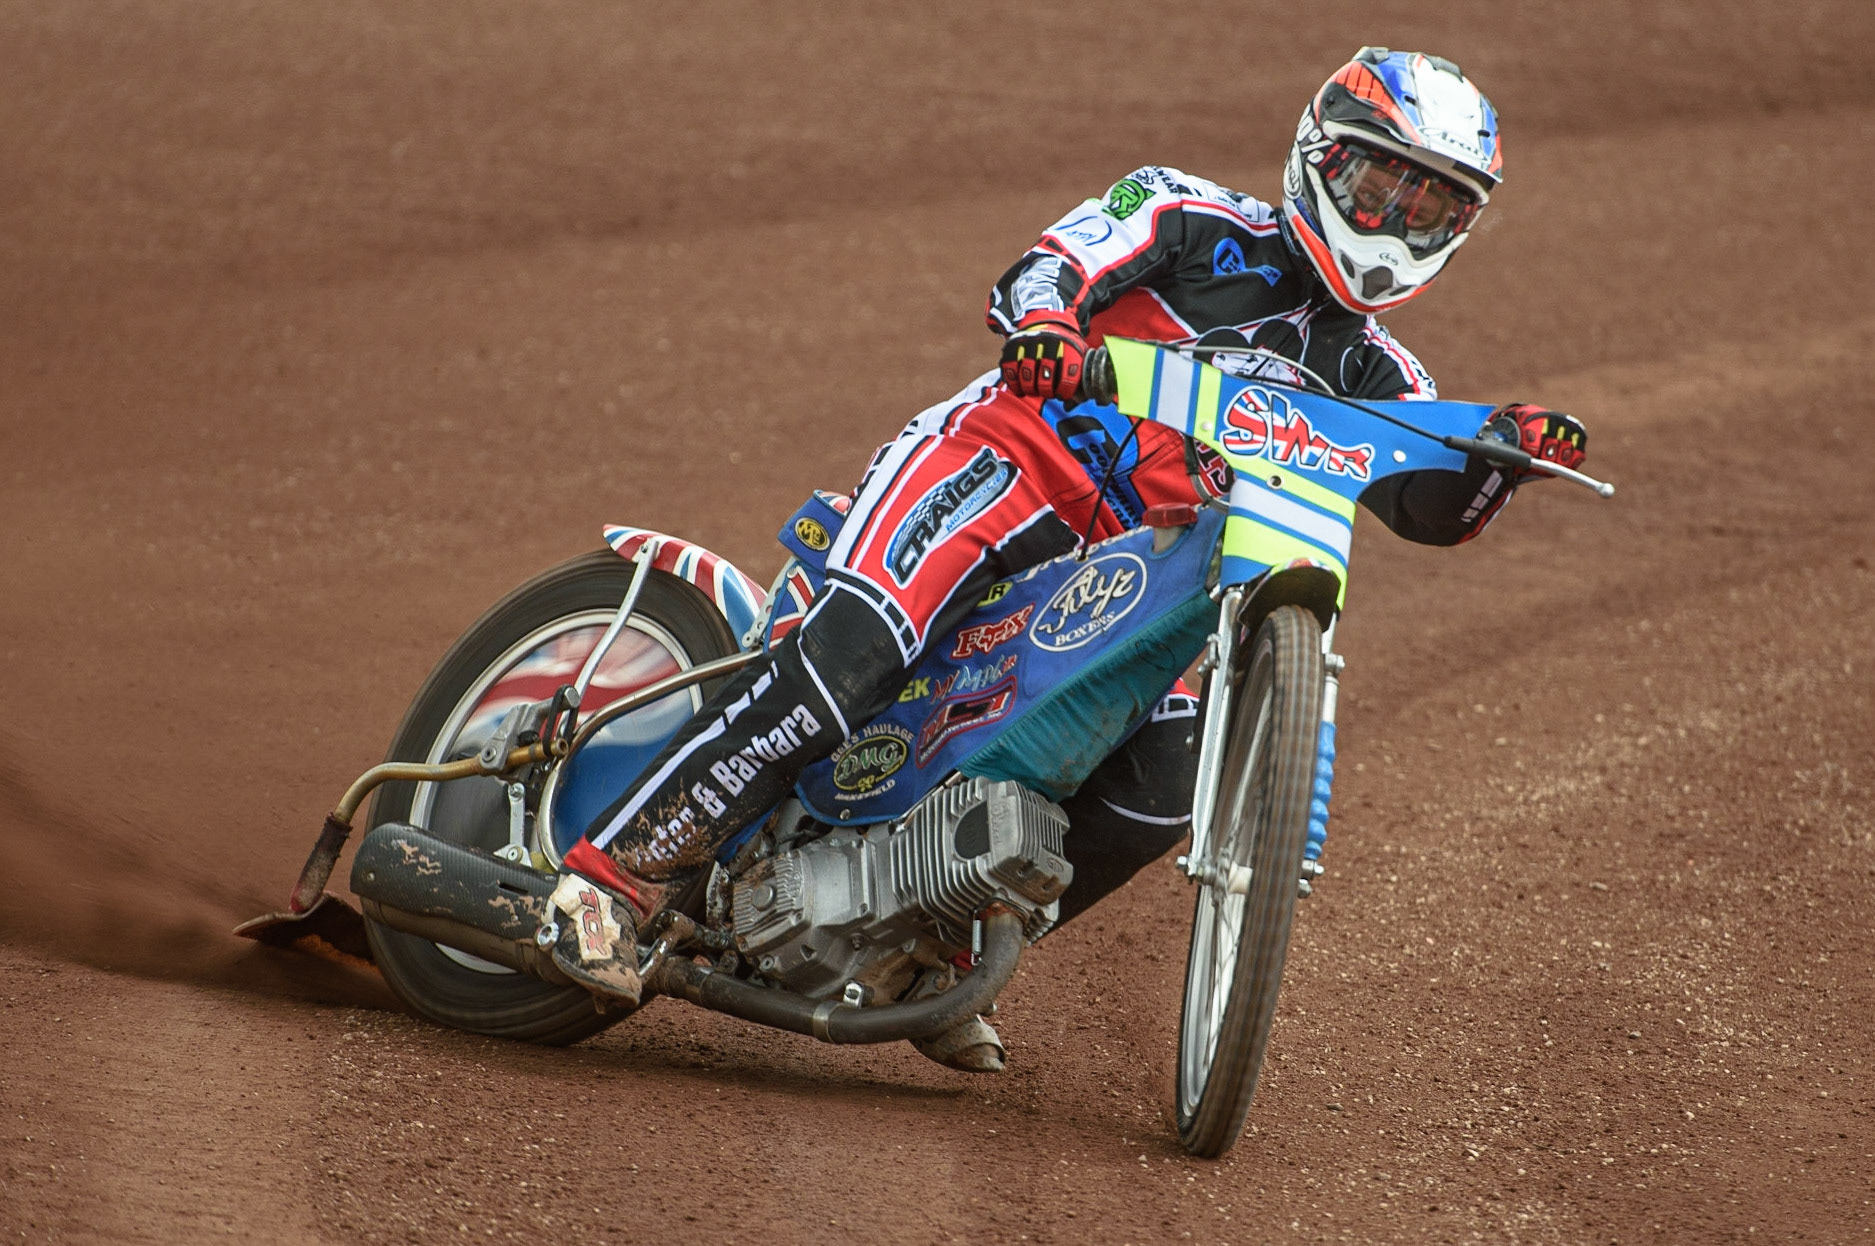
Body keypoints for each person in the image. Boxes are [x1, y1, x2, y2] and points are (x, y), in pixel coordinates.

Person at [544, 47, 1589, 1067]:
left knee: (1170, 776)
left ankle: (929, 939)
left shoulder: (1384, 375)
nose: (1394, 224)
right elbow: (1049, 268)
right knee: (850, 658)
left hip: (1125, 577)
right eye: (1379, 185)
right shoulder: (1188, 212)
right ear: (1321, 154)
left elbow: (1426, 503)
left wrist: (1504, 457)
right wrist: (1047, 324)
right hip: (1003, 468)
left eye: (1431, 208)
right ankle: (612, 878)